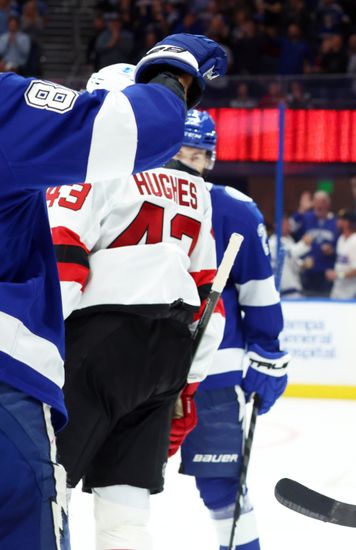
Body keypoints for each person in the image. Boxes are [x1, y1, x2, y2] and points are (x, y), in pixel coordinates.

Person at [0, 33, 226, 549]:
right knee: (126, 515)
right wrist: (186, 383)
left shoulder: (83, 174)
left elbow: (68, 263)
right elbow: (206, 293)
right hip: (165, 354)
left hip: (95, 344)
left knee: (53, 487)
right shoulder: (195, 189)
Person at [176, 110, 290, 550]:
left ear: (211, 159)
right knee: (123, 483)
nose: (189, 163)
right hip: (140, 369)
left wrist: (269, 352)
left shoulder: (235, 209)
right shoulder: (130, 195)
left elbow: (258, 289)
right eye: (180, 153)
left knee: (223, 488)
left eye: (198, 155)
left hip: (214, 374)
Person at [326, 209, 356, 299]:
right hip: (339, 290)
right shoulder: (341, 239)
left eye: (340, 220)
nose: (337, 222)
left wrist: (339, 275)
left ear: (347, 223)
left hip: (354, 293)